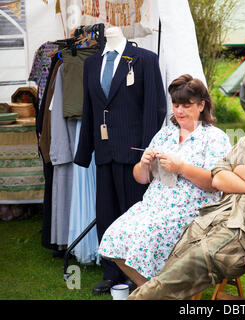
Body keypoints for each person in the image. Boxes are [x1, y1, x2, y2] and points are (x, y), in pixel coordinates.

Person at [126, 75, 245, 299]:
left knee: (179, 273)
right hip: (217, 219)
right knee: (173, 268)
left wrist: (238, 170)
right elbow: (218, 177)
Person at [98, 74, 231, 288]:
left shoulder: (215, 138)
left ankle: (157, 291)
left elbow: (215, 183)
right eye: (176, 105)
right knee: (114, 236)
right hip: (153, 206)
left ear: (201, 105)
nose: (179, 111)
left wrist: (181, 168)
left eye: (186, 106)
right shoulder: (165, 134)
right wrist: (144, 164)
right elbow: (141, 178)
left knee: (147, 235)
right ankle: (153, 290)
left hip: (192, 211)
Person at [74, 27, 166, 294]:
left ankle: (137, 272)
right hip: (104, 152)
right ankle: (111, 271)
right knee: (106, 213)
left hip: (134, 154)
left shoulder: (144, 59)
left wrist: (146, 153)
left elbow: (155, 106)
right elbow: (89, 108)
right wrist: (85, 152)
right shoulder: (91, 63)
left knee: (134, 214)